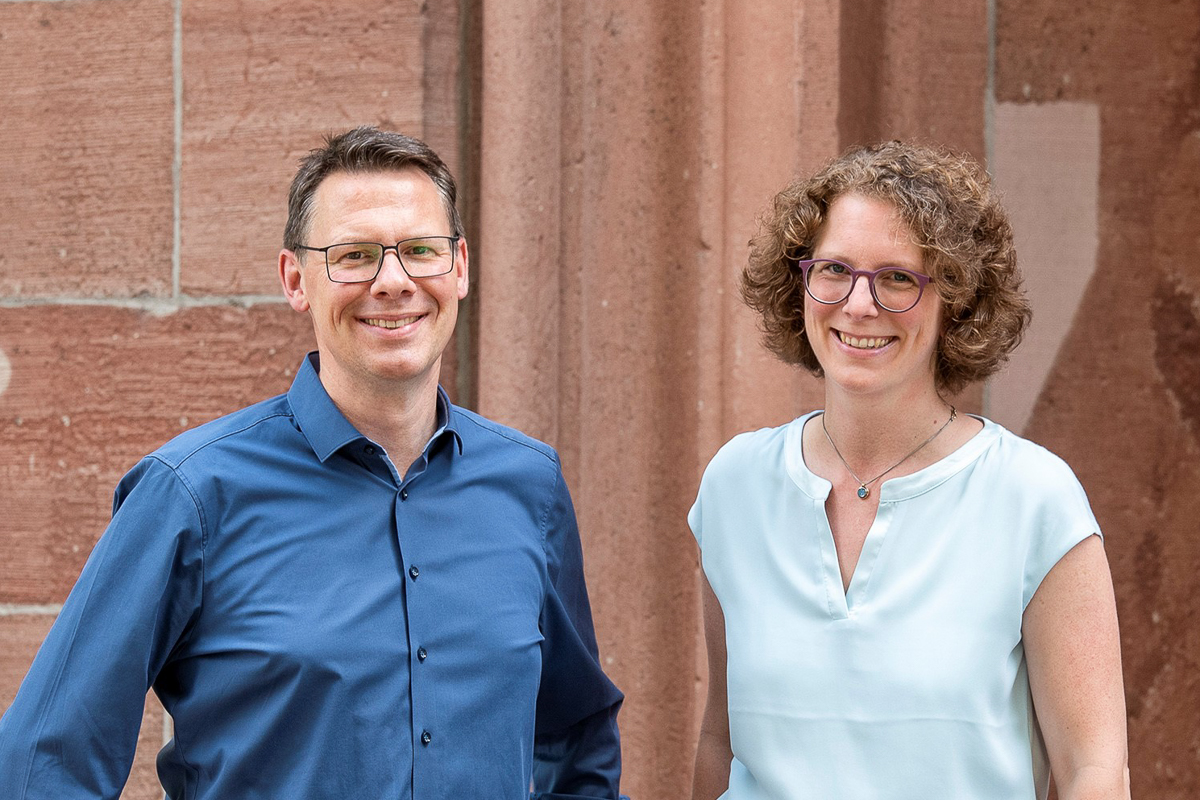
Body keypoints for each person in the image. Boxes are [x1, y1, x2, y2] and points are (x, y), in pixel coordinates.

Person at [0, 126, 624, 799]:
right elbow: (42, 764)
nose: (394, 282)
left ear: (460, 267)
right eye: (355, 255)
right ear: (297, 280)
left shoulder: (529, 485)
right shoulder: (192, 494)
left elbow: (574, 742)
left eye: (420, 250)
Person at [689, 141, 1129, 800]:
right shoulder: (735, 486)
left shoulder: (1033, 500)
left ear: (956, 301)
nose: (859, 305)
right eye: (834, 268)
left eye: (898, 278)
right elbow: (720, 740)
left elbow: (1095, 770)